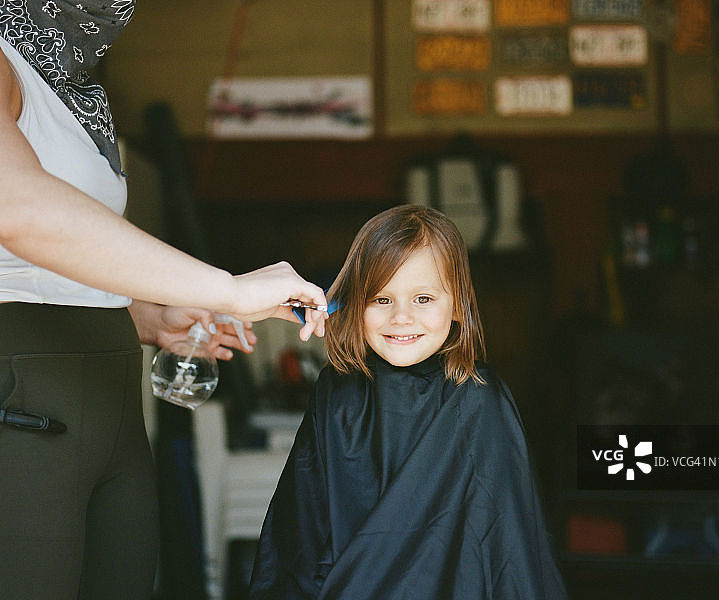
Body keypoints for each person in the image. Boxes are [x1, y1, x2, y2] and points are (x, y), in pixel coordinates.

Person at [0, 3, 327, 599]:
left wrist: (144, 315)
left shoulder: (65, 81)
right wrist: (229, 289)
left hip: (112, 403)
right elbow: (16, 209)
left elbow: (43, 269)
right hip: (23, 397)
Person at [249, 205, 566, 599]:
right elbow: (301, 530)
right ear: (355, 303)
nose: (401, 317)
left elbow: (506, 546)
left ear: (457, 305)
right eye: (381, 299)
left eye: (423, 298)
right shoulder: (337, 392)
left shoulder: (481, 399)